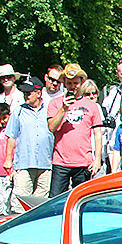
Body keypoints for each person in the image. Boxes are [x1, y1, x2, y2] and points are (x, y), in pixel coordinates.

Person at [46, 63, 102, 196]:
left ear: (82, 82)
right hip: (61, 161)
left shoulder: (92, 105)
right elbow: (52, 127)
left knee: (82, 198)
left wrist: (97, 159)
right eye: (69, 83)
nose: (73, 87)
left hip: (83, 162)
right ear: (64, 83)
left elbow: (97, 134)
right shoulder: (55, 103)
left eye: (76, 83)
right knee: (55, 200)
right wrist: (63, 109)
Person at [4, 75, 55, 209]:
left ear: (38, 93)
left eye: (29, 92)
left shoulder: (50, 109)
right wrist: (8, 159)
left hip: (45, 162)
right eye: (24, 93)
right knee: (20, 200)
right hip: (24, 162)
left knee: (41, 202)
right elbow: (11, 136)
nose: (26, 95)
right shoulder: (18, 111)